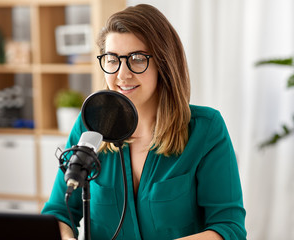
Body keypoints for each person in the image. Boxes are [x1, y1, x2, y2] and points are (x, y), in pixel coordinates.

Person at [42, 4, 246, 240]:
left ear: (164, 63)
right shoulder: (88, 125)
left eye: (137, 59)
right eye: (112, 59)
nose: (122, 74)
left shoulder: (206, 128)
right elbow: (58, 212)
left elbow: (229, 229)